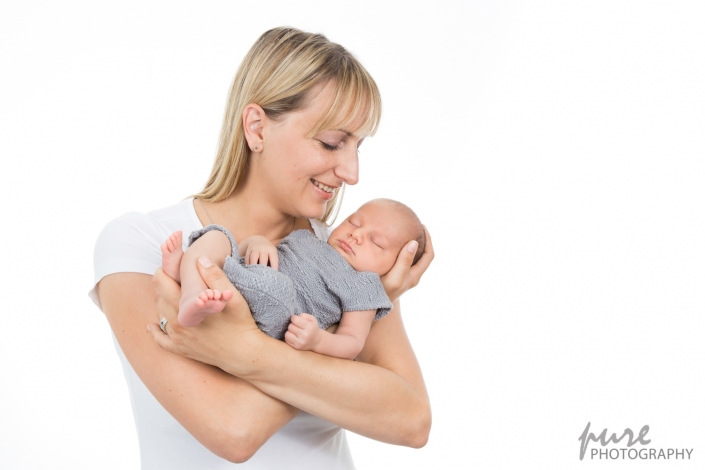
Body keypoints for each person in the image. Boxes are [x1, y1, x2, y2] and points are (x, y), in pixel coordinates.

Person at [91, 27, 434, 469]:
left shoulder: (345, 256)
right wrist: (344, 326)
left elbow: (411, 419)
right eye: (332, 142)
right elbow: (233, 431)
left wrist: (242, 350)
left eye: (357, 147)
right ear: (256, 127)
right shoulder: (142, 244)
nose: (351, 172)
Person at [160, 198, 426, 360]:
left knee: (276, 288)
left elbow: (352, 342)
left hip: (278, 310)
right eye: (354, 223)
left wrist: (318, 340)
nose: (357, 235)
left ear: (394, 266)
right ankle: (191, 290)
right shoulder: (310, 237)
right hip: (246, 272)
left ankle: (190, 273)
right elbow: (242, 251)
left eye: (376, 242)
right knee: (217, 236)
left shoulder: (365, 286)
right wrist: (258, 242)